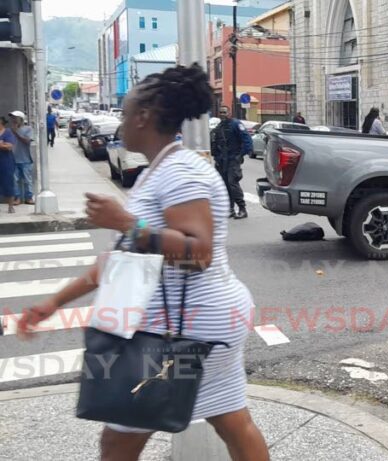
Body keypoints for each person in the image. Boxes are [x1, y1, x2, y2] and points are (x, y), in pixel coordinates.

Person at [16, 64, 270, 461]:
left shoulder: (180, 172)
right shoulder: (163, 169)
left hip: (187, 323)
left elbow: (197, 253)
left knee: (119, 440)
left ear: (143, 116)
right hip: (205, 318)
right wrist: (54, 301)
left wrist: (126, 223)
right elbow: (123, 259)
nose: (120, 122)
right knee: (231, 419)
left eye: (124, 112)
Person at [211, 106, 252, 219]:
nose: (222, 114)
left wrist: (242, 154)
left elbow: (247, 139)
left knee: (232, 183)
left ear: (229, 113)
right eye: (220, 112)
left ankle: (242, 209)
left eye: (224, 112)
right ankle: (230, 209)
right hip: (221, 161)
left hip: (233, 159)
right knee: (225, 185)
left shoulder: (235, 124)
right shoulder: (219, 126)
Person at [9, 111, 34, 206]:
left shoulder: (28, 129)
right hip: (13, 158)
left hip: (25, 159)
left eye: (15, 118)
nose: (14, 120)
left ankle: (29, 198)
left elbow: (27, 141)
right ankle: (17, 197)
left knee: (28, 180)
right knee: (14, 180)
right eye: (13, 118)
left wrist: (16, 133)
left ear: (21, 119)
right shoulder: (9, 130)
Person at [0, 117, 16, 213]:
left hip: (6, 161)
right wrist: (2, 144)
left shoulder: (8, 132)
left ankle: (11, 206)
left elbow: (10, 146)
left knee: (8, 183)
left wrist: (2, 145)